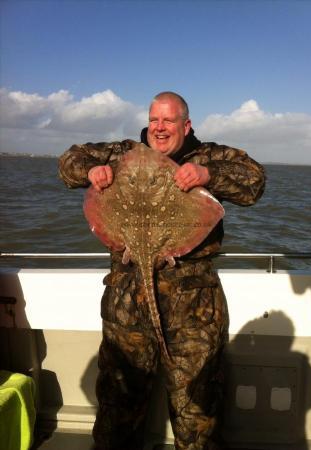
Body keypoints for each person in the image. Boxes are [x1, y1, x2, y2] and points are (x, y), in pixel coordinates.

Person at [58, 91, 265, 450]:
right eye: (154, 119)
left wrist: (207, 174)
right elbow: (68, 161)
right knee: (118, 407)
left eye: (168, 120)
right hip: (126, 303)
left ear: (186, 124)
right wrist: (91, 170)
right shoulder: (123, 153)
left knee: (196, 414)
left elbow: (254, 181)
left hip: (194, 310)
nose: (159, 127)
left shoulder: (207, 155)